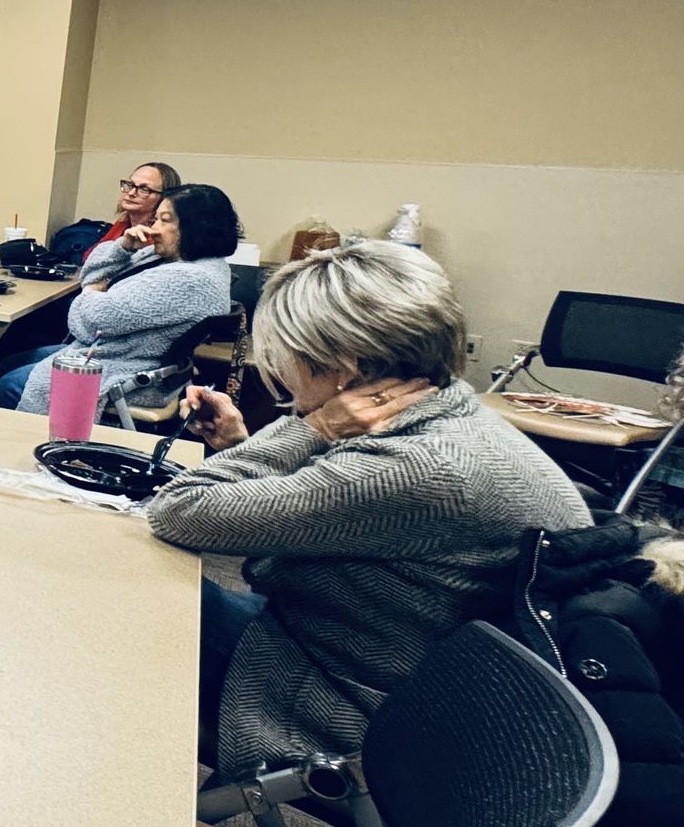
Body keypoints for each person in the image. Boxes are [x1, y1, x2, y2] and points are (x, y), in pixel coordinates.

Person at [146, 241, 591, 778]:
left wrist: (314, 427)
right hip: (387, 662)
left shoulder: (420, 468)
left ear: (345, 368)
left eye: (286, 355)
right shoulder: (451, 414)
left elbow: (179, 509)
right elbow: (332, 505)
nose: (281, 371)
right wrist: (246, 444)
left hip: (341, 701)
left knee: (131, 600)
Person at [5, 183, 237, 411]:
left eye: (165, 220)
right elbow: (90, 276)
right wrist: (123, 248)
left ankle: (23, 434)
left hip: (130, 372)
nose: (154, 228)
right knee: (10, 361)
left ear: (197, 227)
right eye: (155, 219)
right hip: (113, 353)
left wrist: (89, 294)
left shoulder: (189, 279)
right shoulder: (171, 258)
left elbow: (95, 321)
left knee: (11, 384)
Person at [0, 162, 182, 384]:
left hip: (107, 318)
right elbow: (90, 259)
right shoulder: (123, 224)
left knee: (42, 316)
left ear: (164, 198)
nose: (132, 192)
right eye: (129, 185)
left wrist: (96, 281)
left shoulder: (157, 239)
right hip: (91, 298)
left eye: (144, 189)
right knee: (37, 319)